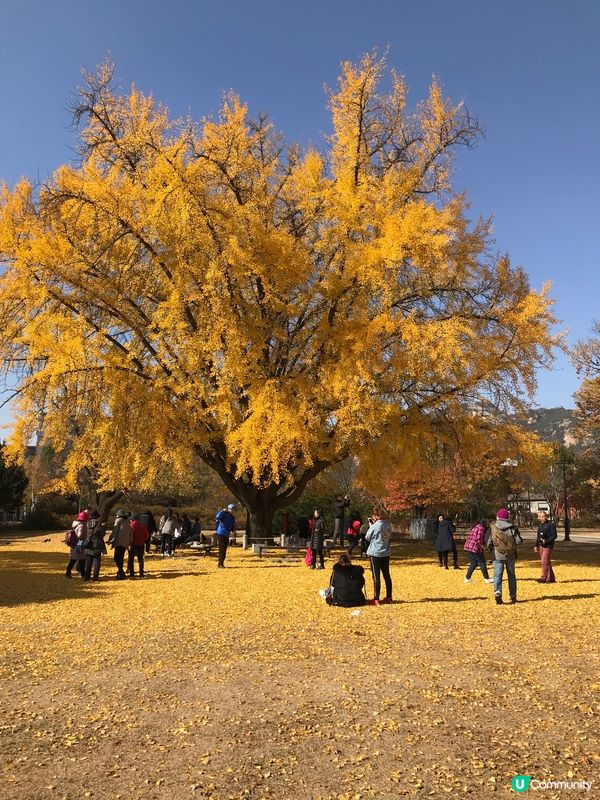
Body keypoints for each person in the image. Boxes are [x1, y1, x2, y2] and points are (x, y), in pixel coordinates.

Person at [491, 508, 523, 605]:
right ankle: (513, 596)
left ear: (498, 517)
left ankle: (497, 592)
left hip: (497, 555)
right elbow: (518, 541)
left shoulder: (493, 527)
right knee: (511, 575)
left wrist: (491, 550)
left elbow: (489, 541)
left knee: (497, 575)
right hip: (510, 555)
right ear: (507, 517)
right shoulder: (513, 528)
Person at [365, 508, 393, 605]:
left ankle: (376, 598)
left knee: (376, 576)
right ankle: (389, 597)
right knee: (387, 575)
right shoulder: (388, 525)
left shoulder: (375, 526)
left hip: (375, 553)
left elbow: (367, 537)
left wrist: (370, 526)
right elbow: (389, 536)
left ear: (376, 516)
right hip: (385, 552)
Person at [463, 519, 494, 584]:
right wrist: (483, 547)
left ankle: (467, 578)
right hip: (474, 547)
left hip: (469, 546)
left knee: (474, 563)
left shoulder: (476, 526)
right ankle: (486, 578)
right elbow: (478, 539)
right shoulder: (481, 528)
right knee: (482, 562)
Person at [107, 509, 132, 580]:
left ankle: (121, 572)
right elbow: (130, 532)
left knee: (116, 557)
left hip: (119, 542)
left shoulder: (118, 520)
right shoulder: (127, 521)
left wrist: (110, 538)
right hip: (125, 542)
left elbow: (115, 530)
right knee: (121, 557)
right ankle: (120, 572)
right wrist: (130, 541)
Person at [535, 511, 557, 583]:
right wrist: (536, 545)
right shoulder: (540, 526)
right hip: (541, 546)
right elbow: (538, 536)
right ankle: (551, 578)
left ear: (546, 516)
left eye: (543, 516)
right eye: (540, 517)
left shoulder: (551, 525)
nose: (542, 518)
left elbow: (554, 536)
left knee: (544, 561)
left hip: (548, 546)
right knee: (546, 562)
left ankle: (543, 578)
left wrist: (546, 541)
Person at [83, 512, 107, 581]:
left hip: (88, 544)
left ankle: (86, 577)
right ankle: (95, 577)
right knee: (97, 561)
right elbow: (102, 534)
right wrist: (103, 527)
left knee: (88, 561)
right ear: (97, 517)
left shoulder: (87, 523)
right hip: (97, 544)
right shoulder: (99, 524)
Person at [65, 511, 88, 578]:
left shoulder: (76, 524)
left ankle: (68, 573)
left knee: (75, 559)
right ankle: (82, 574)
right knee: (81, 559)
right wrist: (81, 543)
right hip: (79, 543)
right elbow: (80, 536)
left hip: (75, 543)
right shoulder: (82, 525)